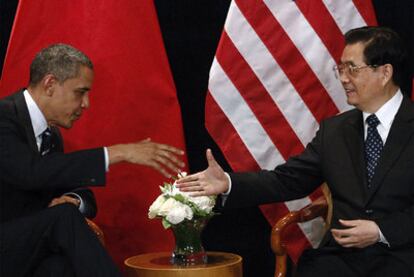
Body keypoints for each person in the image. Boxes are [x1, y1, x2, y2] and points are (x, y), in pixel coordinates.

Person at [176, 26, 412, 277]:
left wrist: (380, 231)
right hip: (343, 260)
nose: (343, 78)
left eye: (352, 69)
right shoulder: (335, 130)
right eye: (341, 69)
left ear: (385, 72)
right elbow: (286, 180)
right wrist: (228, 182)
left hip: (404, 253)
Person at [0, 43, 185, 277]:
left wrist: (75, 200)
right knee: (63, 219)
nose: (86, 104)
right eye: (80, 92)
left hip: (26, 249)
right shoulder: (4, 117)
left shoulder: (51, 134)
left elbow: (72, 186)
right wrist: (116, 153)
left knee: (59, 267)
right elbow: (29, 172)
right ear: (50, 84)